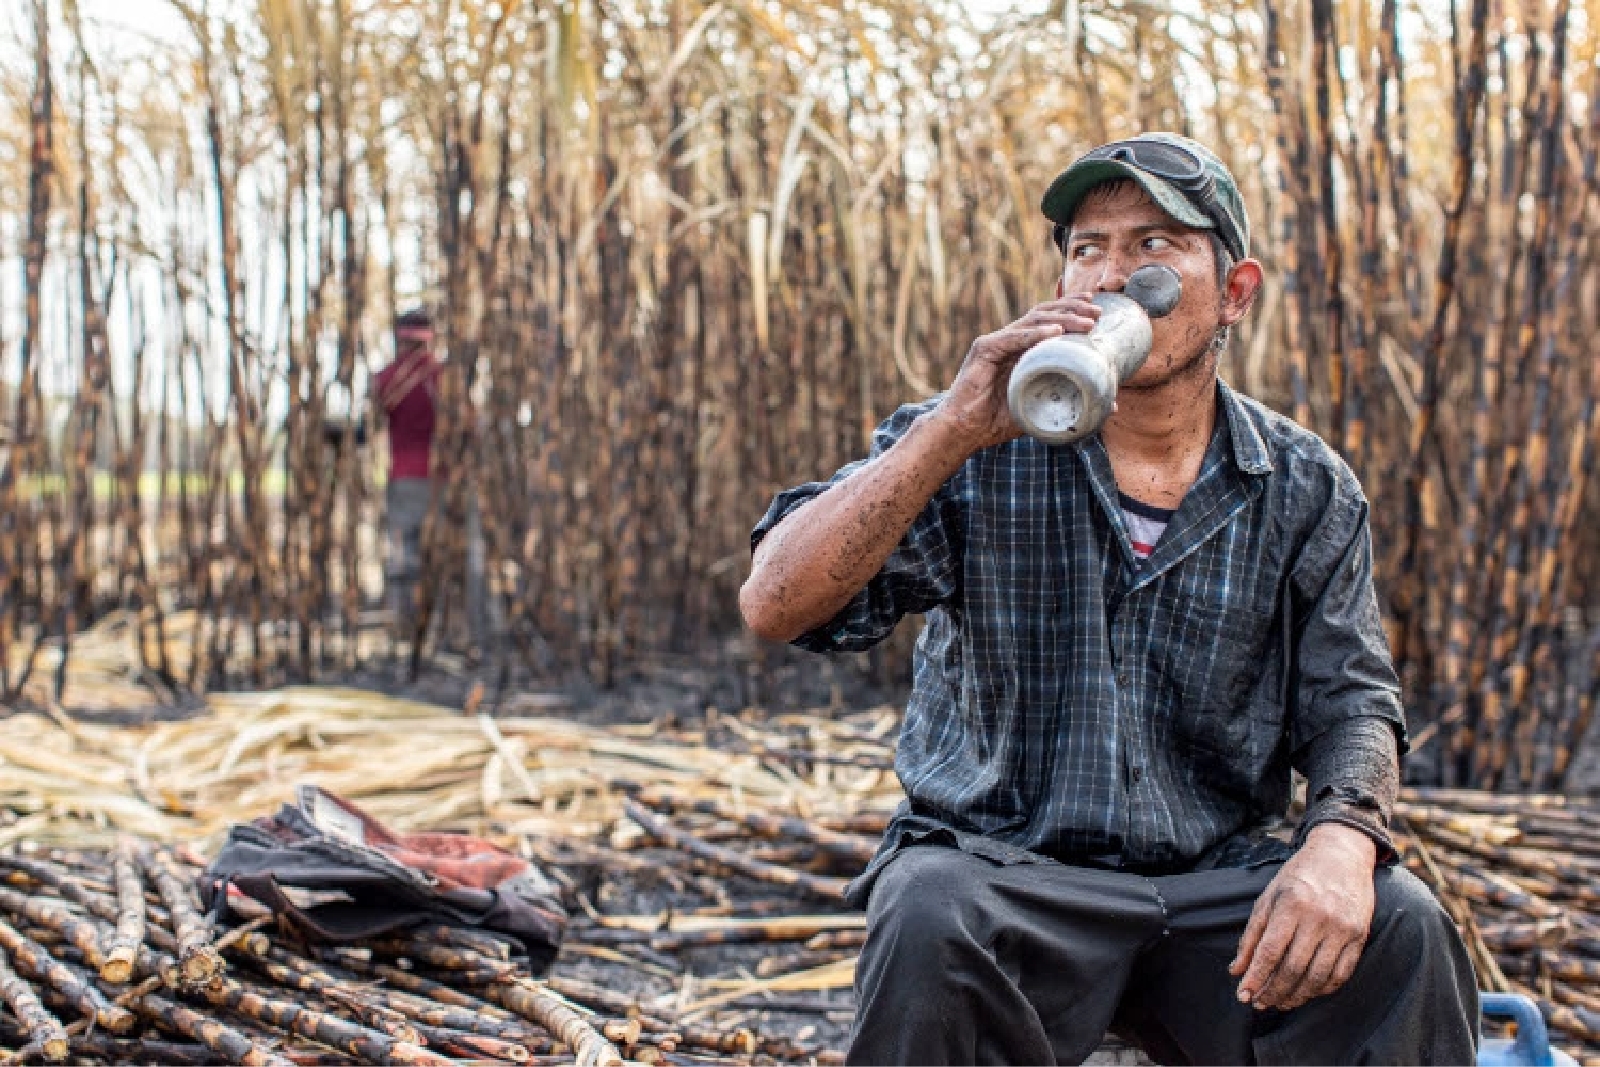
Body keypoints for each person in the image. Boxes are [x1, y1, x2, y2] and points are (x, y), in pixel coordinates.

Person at [739, 133, 1478, 1066]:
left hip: (1215, 889)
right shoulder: (975, 440)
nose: (1113, 276)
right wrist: (948, 432)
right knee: (927, 907)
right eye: (1088, 249)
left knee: (1400, 928)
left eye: (1154, 246)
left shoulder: (1301, 483)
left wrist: (1341, 841)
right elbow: (775, 603)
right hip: (1003, 875)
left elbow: (1355, 700)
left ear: (1235, 294)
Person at [374, 308, 441, 638]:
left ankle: (404, 625)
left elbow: (369, 425)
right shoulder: (441, 378)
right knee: (435, 554)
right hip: (439, 479)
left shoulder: (388, 379)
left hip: (403, 477)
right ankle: (435, 625)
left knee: (404, 553)